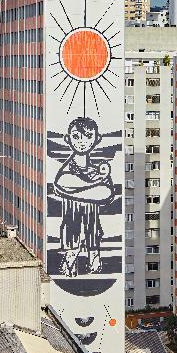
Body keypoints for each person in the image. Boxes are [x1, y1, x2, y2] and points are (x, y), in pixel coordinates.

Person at [54, 116, 114, 277]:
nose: (82, 141)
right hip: (72, 221)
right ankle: (70, 275)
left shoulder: (95, 170)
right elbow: (62, 183)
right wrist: (95, 185)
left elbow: (106, 194)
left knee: (94, 256)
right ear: (68, 139)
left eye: (88, 136)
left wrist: (79, 190)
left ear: (97, 139)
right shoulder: (69, 168)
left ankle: (93, 275)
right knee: (71, 256)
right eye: (76, 136)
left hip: (92, 222)